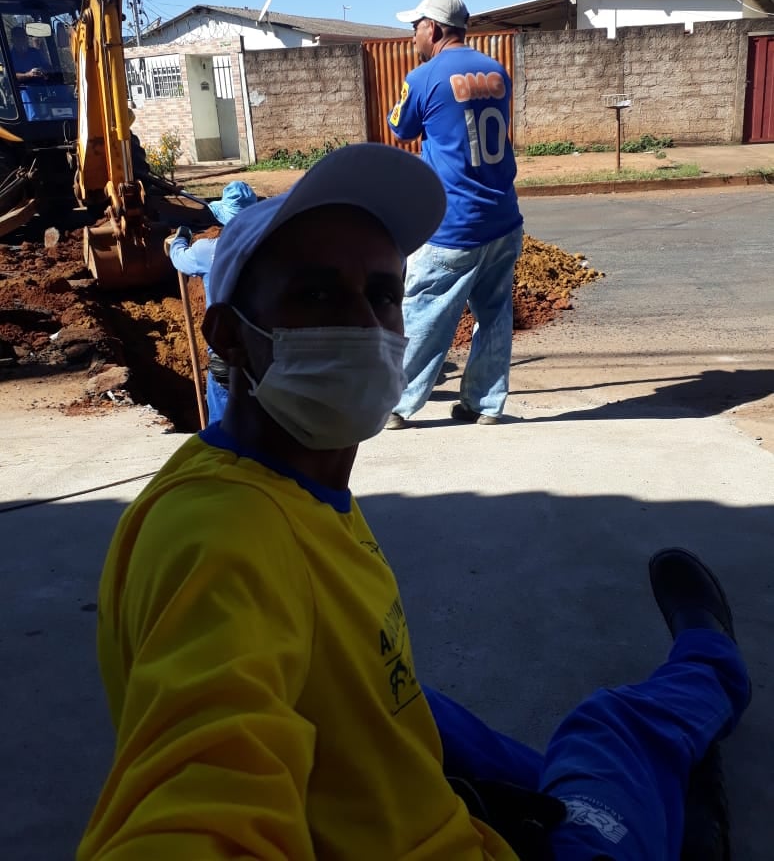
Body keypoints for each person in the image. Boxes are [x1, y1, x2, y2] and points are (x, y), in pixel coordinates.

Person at [77, 143, 750, 861]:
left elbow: (368, 692)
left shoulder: (288, 489)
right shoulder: (221, 538)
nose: (364, 324)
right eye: (315, 295)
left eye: (382, 294)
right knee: (611, 732)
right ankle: (712, 659)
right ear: (230, 337)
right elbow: (198, 796)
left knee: (501, 746)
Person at [385, 0, 524, 429]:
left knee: (423, 311)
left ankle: (396, 406)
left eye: (416, 26)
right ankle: (484, 405)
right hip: (503, 217)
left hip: (452, 223)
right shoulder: (496, 70)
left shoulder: (424, 77)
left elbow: (401, 127)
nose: (412, 35)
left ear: (436, 29)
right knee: (495, 314)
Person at [164, 179, 258, 423]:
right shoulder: (271, 250)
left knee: (222, 430)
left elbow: (179, 259)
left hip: (225, 358)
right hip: (265, 354)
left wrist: (180, 239)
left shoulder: (207, 251)